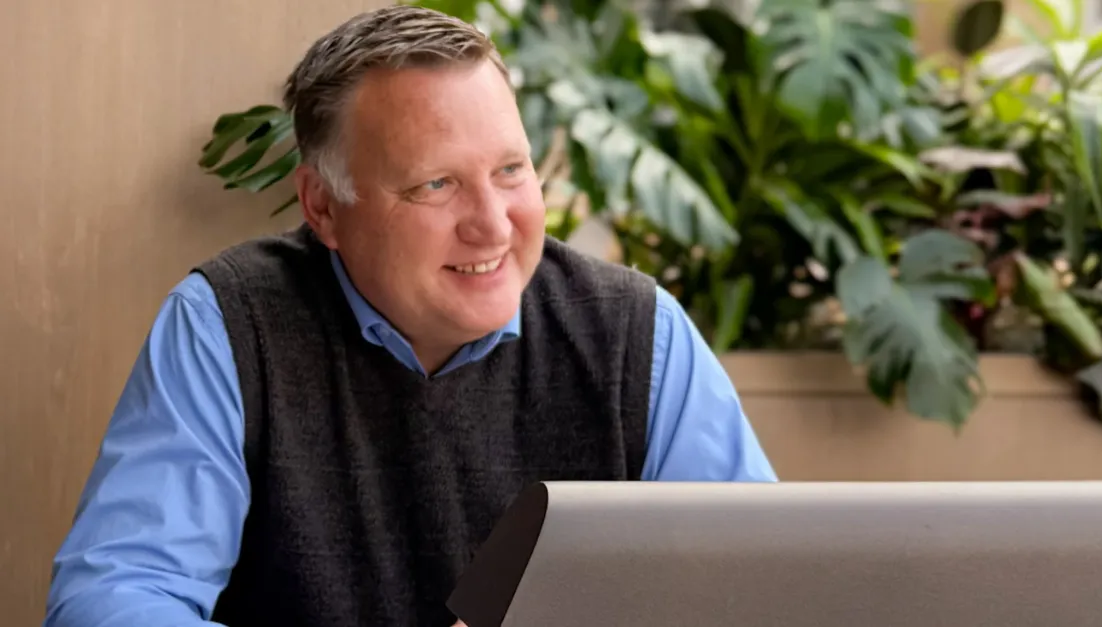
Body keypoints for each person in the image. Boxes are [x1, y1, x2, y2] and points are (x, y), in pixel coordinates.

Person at [43, 5, 776, 627]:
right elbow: (114, 596)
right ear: (324, 206)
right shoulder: (229, 325)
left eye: (511, 170)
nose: (493, 225)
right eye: (436, 184)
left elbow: (767, 587)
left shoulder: (635, 332)